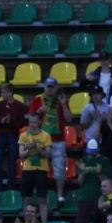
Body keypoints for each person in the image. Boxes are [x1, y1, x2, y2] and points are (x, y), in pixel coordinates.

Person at [29, 77, 73, 205]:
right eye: (48, 86)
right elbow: (31, 119)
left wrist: (64, 105)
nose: (50, 89)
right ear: (44, 87)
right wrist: (39, 112)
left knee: (59, 168)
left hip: (58, 140)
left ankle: (60, 195)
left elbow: (69, 119)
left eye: (52, 87)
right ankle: (39, 194)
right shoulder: (38, 100)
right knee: (38, 167)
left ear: (56, 88)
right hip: (41, 139)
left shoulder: (62, 100)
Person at [18, 112, 53, 223]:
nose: (32, 124)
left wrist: (37, 147)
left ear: (39, 122)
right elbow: (21, 155)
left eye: (34, 122)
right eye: (30, 122)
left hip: (41, 170)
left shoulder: (46, 135)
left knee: (42, 199)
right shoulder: (23, 136)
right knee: (26, 199)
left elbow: (48, 154)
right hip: (27, 170)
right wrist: (29, 149)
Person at [0, 82, 27, 195]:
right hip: (1, 135)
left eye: (3, 92)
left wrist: (11, 121)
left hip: (13, 135)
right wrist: (1, 121)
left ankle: (10, 192)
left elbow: (21, 123)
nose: (2, 94)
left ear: (10, 92)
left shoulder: (20, 106)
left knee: (12, 164)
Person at [75, 138, 112, 223]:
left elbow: (107, 182)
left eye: (93, 152)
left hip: (99, 198)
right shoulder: (83, 161)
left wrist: (99, 173)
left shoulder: (104, 161)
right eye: (90, 152)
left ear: (98, 149)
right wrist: (83, 171)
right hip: (85, 197)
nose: (91, 154)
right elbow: (79, 182)